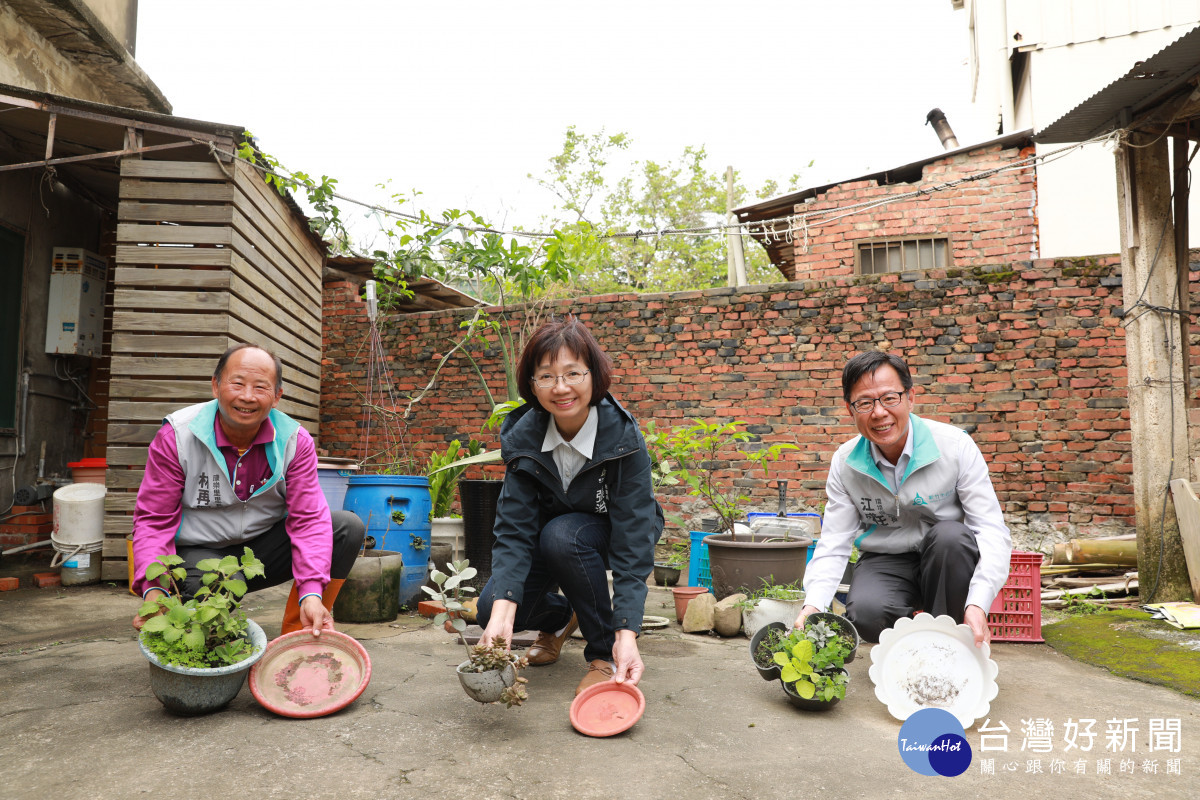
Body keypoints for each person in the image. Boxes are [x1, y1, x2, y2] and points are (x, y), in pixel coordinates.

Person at [476, 316, 664, 696]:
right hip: (549, 537)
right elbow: (514, 529)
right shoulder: (524, 437)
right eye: (545, 376)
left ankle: (601, 653)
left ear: (593, 375)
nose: (560, 388)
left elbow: (632, 539)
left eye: (572, 374)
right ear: (532, 384)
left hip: (608, 531)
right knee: (489, 609)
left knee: (564, 535)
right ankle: (564, 617)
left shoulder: (623, 438)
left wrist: (626, 633)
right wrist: (502, 615)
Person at [131, 343, 364, 636]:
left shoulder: (294, 441)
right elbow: (154, 518)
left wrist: (313, 591)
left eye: (261, 387)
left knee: (344, 527)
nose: (247, 396)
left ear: (277, 396)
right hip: (196, 552)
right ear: (216, 386)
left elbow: (308, 518)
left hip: (261, 550)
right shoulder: (178, 436)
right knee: (220, 579)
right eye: (237, 383)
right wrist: (154, 590)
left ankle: (304, 630)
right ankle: (201, 641)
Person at [795, 350, 1012, 647]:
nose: (879, 412)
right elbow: (835, 541)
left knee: (951, 537)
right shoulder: (845, 463)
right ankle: (911, 641)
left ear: (911, 397)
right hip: (886, 558)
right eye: (865, 403)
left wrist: (977, 603)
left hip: (946, 559)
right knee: (867, 615)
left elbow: (990, 529)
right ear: (850, 410)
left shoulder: (955, 447)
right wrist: (814, 606)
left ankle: (948, 642)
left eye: (889, 398)